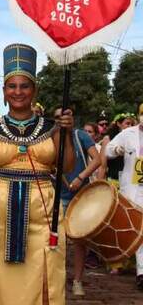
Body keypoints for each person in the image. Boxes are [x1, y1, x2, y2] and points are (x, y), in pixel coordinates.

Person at [0, 43, 75, 305]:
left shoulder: (53, 127)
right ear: (4, 92)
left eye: (24, 86)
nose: (18, 92)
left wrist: (67, 132)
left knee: (46, 273)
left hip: (43, 216)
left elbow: (68, 166)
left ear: (34, 90)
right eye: (12, 87)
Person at [55, 108, 101, 296]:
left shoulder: (80, 135)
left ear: (72, 117)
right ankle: (55, 279)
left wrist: (80, 178)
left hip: (80, 195)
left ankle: (77, 280)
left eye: (65, 116)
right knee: (55, 239)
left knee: (80, 240)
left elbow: (97, 160)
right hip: (57, 194)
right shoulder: (51, 136)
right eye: (57, 117)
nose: (62, 119)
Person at [105, 103, 143, 290]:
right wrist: (116, 151)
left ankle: (141, 271)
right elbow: (107, 149)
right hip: (132, 188)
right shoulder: (128, 134)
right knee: (136, 227)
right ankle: (138, 271)